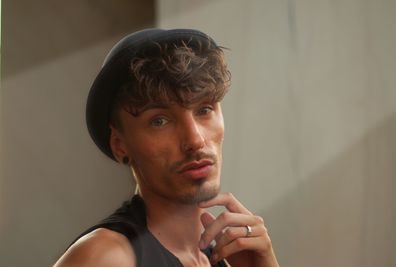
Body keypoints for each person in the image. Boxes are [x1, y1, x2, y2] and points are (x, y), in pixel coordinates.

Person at [54, 28, 280, 267]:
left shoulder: (229, 256)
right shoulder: (106, 257)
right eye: (159, 121)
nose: (195, 140)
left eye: (204, 110)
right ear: (120, 145)